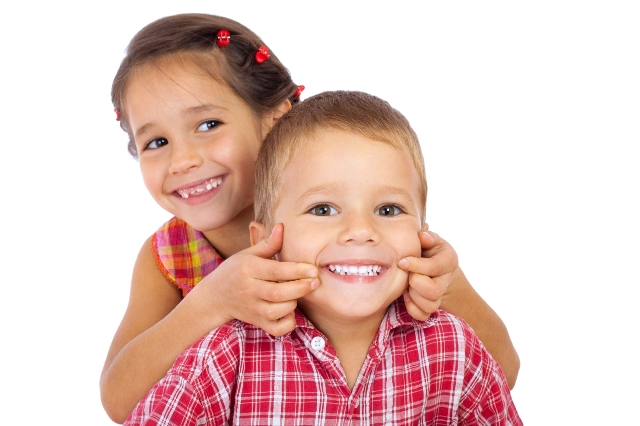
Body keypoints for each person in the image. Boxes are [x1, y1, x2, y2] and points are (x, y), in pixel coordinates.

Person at [101, 13, 519, 423]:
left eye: (208, 124)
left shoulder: (372, 234)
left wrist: (445, 286)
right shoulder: (170, 256)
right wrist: (211, 301)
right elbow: (120, 401)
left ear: (276, 119)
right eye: (156, 141)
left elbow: (501, 373)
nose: (182, 160)